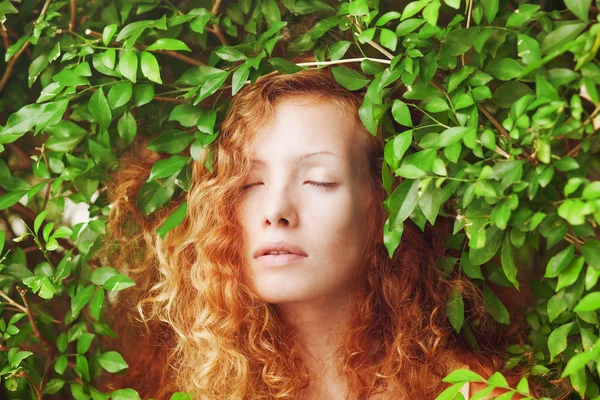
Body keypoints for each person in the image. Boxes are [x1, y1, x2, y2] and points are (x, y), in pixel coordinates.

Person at [96, 58, 553, 399]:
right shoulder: (179, 385)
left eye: (318, 180)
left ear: (385, 209)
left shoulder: (474, 392)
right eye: (249, 183)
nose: (276, 210)